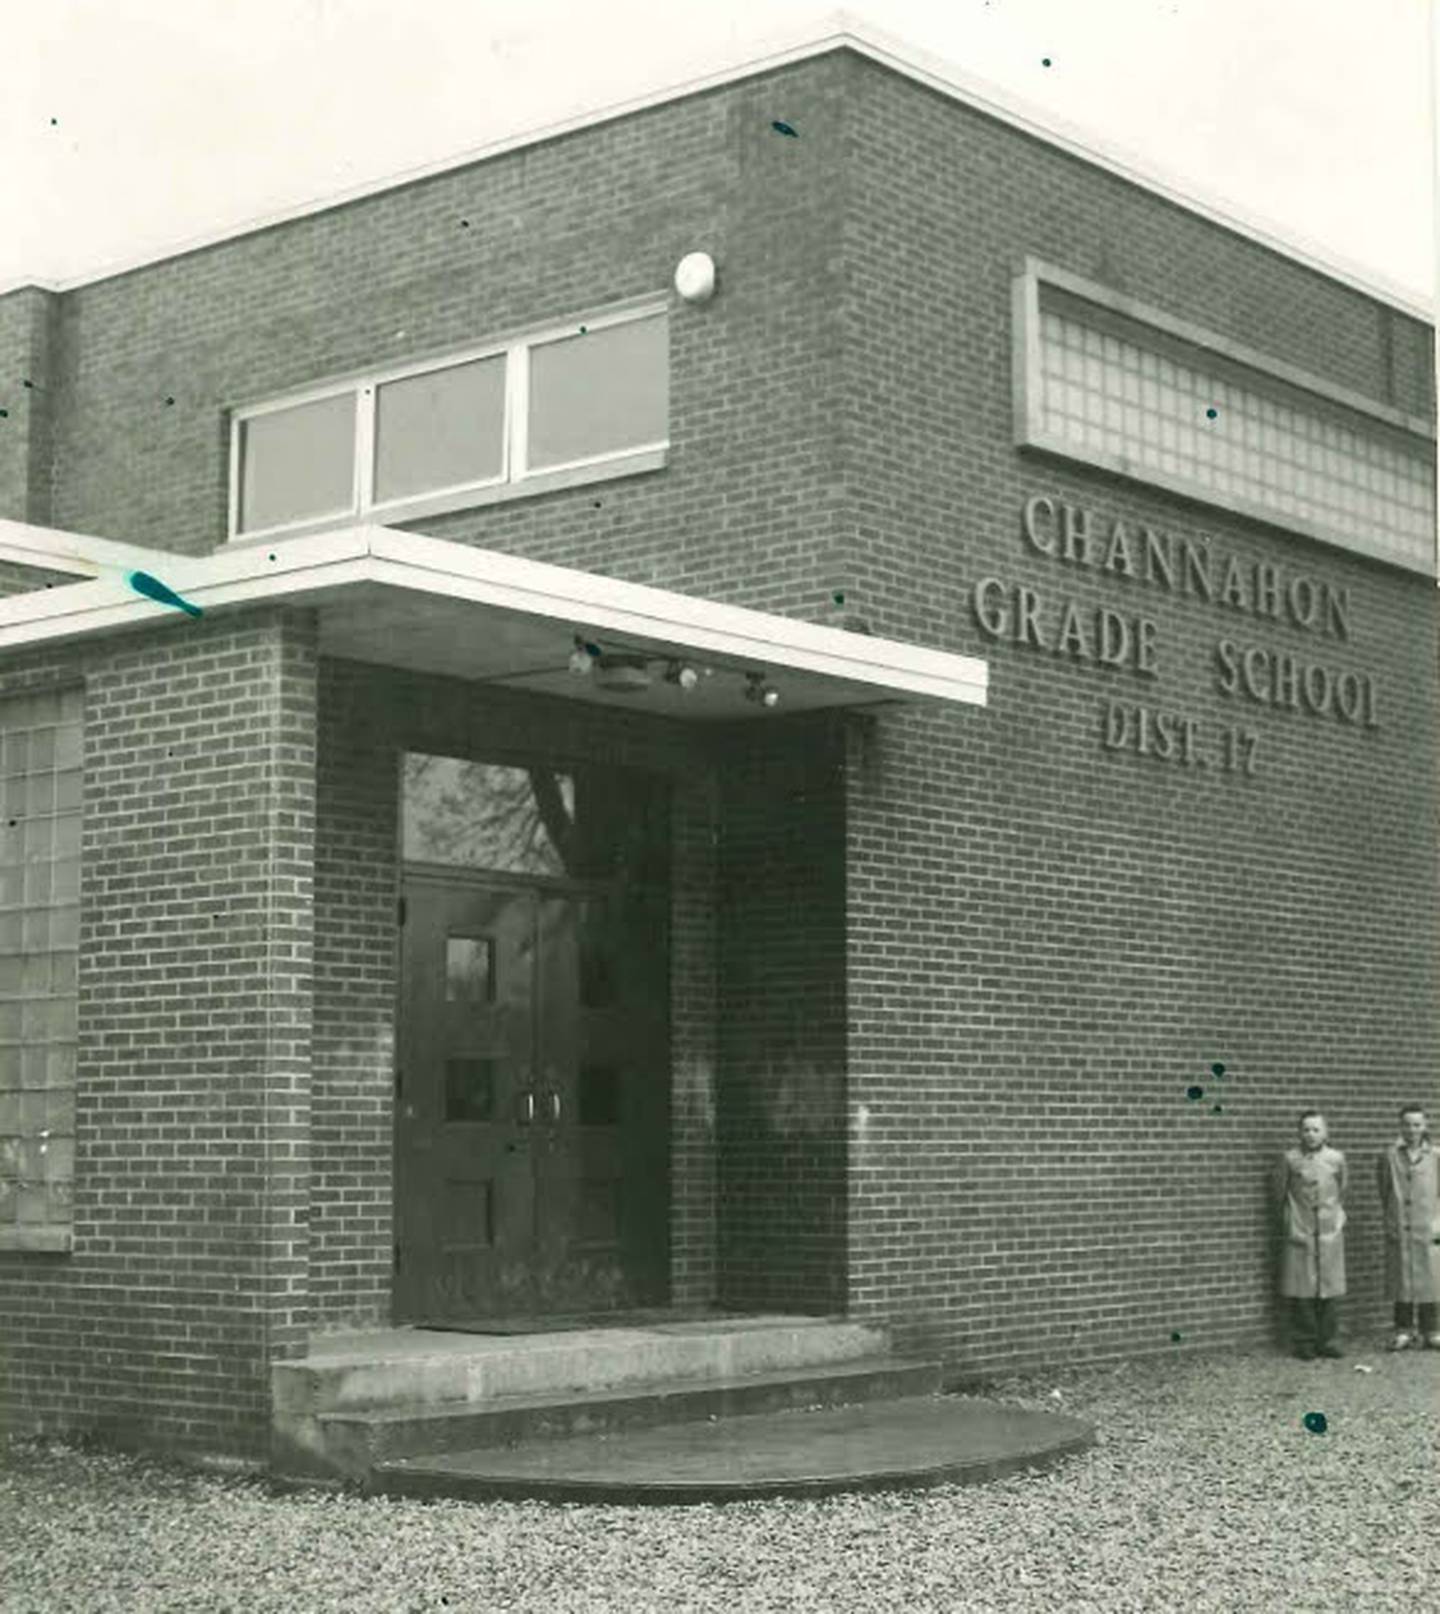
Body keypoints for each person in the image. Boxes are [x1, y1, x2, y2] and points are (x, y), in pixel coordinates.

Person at [1274, 1110, 1348, 1359]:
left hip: (1328, 1231)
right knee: (1302, 1289)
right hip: (1300, 1228)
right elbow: (1279, 1193)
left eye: (1316, 1129)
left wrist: (1336, 1219)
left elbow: (1342, 1190)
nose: (1311, 1134)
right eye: (1306, 1129)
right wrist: (1289, 1223)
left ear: (1325, 1133)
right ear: (1299, 1132)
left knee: (1329, 1288)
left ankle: (1329, 1340)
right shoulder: (1290, 1159)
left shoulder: (1336, 1159)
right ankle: (1304, 1340)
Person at [1376, 1104, 1440, 1350]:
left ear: (1424, 1126)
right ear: (1400, 1126)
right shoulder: (1389, 1156)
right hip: (1401, 1224)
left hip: (1428, 1224)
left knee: (1430, 1277)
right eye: (1407, 1125)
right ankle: (1403, 1329)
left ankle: (1431, 1330)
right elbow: (1384, 1189)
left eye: (1416, 1124)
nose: (1411, 1130)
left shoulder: (1435, 1155)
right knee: (1401, 1278)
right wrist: (1393, 1215)